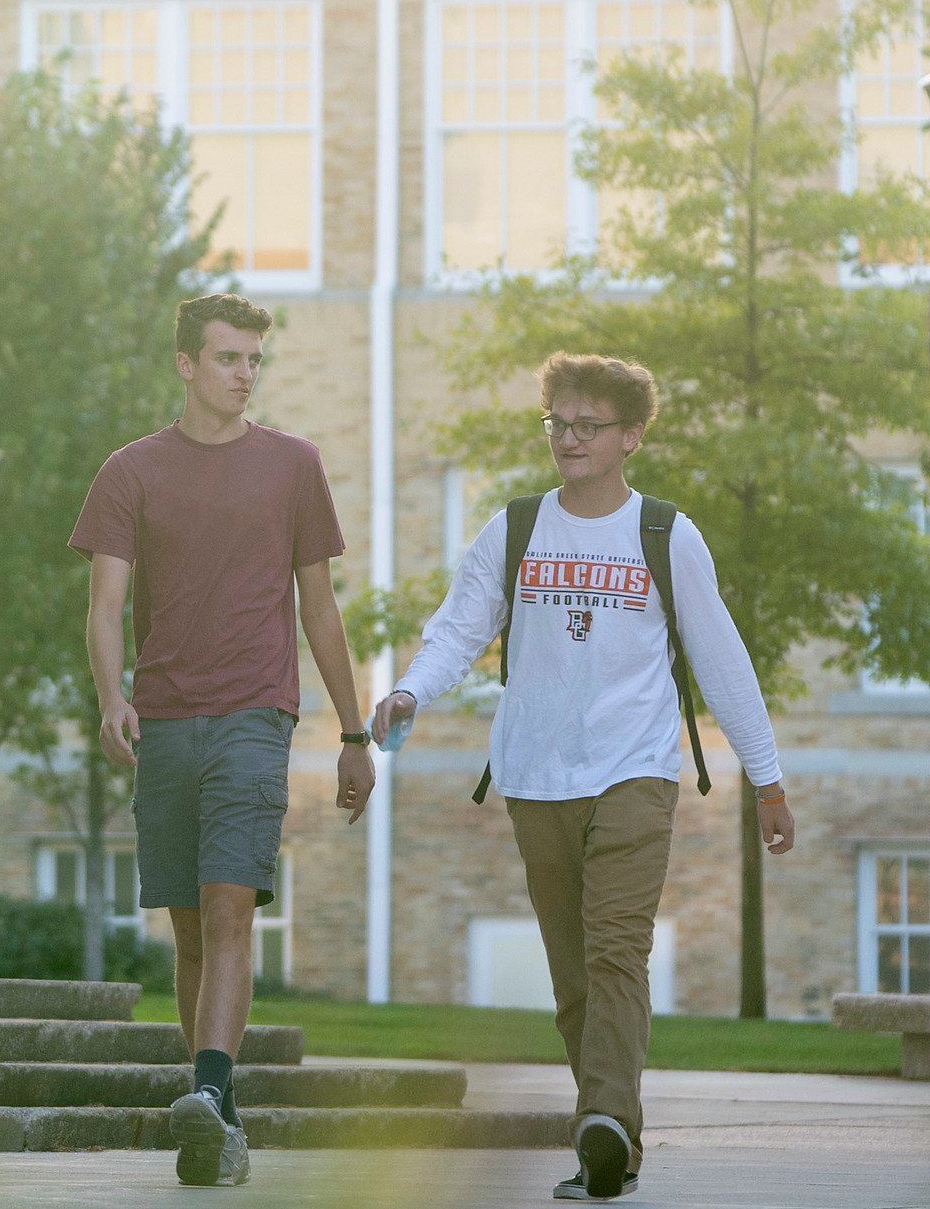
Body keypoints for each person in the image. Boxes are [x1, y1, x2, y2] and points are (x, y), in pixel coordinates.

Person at [375, 353, 793, 1205]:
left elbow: (721, 659)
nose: (568, 438)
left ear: (630, 436)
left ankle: (601, 1122)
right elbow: (459, 626)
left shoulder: (666, 534)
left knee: (615, 949)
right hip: (535, 774)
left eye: (587, 425)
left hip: (635, 770)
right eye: (557, 422)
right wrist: (412, 686)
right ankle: (613, 1136)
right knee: (573, 973)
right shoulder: (517, 528)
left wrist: (768, 776)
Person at [70, 292, 372, 1190]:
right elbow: (105, 604)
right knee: (191, 925)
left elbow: (319, 607)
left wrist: (353, 730)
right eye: (229, 357)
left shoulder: (293, 467)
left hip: (256, 712)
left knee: (232, 903)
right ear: (186, 364)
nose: (244, 373)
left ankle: (205, 1087)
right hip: (164, 717)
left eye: (254, 360)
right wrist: (110, 693)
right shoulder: (130, 471)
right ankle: (218, 1114)